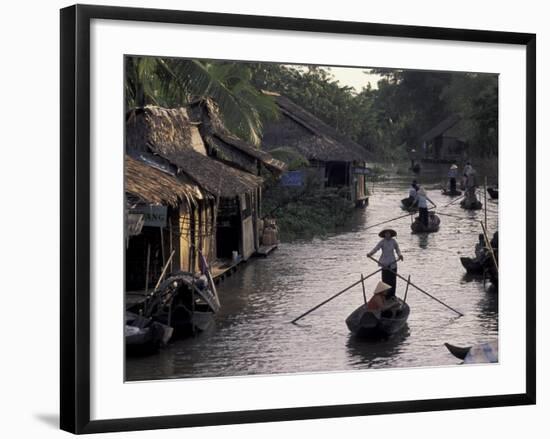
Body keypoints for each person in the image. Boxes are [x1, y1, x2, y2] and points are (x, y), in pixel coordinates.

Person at [367, 229, 403, 297]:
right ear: (384, 235)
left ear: (390, 234)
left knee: (393, 280)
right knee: (385, 280)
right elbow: (376, 249)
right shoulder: (382, 242)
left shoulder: (393, 241)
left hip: (392, 263)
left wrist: (400, 255)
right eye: (386, 234)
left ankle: (392, 295)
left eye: (388, 233)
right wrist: (370, 254)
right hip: (385, 264)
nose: (387, 235)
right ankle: (385, 296)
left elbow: (397, 249)